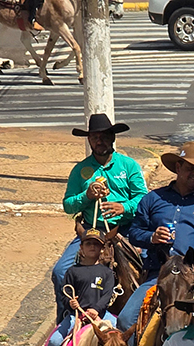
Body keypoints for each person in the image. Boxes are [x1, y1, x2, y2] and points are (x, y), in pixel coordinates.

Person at [118, 143, 194, 336]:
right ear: (178, 167)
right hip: (161, 275)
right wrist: (152, 237)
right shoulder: (152, 199)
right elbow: (134, 233)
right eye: (191, 168)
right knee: (126, 320)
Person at [54, 113, 145, 319]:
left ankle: (145, 320)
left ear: (113, 137)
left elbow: (143, 197)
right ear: (89, 140)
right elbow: (68, 205)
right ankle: (66, 319)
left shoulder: (129, 165)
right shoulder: (80, 170)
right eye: (94, 137)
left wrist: (124, 207)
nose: (99, 140)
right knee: (60, 272)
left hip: (126, 229)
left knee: (152, 266)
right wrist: (86, 196)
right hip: (91, 231)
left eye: (104, 136)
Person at [37, 227, 116, 346]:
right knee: (54, 341)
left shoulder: (107, 273)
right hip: (76, 316)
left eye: (96, 244)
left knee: (120, 336)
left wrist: (96, 309)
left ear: (102, 248)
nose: (92, 247)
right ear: (81, 247)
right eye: (88, 244)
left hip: (101, 314)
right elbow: (65, 294)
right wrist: (71, 303)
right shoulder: (72, 271)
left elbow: (107, 295)